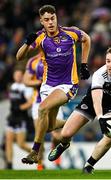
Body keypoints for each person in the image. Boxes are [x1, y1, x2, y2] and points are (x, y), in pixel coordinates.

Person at [16, 4, 91, 164]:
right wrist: (26, 43)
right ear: (41, 21)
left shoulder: (70, 33)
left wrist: (83, 64)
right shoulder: (40, 38)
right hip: (47, 86)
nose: (50, 22)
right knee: (49, 127)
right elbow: (19, 57)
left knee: (42, 108)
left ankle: (35, 151)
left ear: (56, 18)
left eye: (52, 18)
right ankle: (76, 122)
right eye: (46, 20)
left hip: (67, 85)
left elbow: (87, 39)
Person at [48, 45, 111, 173]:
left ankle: (89, 165)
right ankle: (64, 144)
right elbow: (96, 98)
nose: (110, 65)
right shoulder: (100, 74)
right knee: (65, 133)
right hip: (91, 102)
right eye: (108, 61)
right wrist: (100, 117)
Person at [23, 53, 66, 169]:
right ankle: (40, 163)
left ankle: (56, 154)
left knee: (57, 135)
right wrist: (39, 82)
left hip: (54, 100)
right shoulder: (33, 61)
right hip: (38, 102)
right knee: (39, 133)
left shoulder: (57, 56)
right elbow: (26, 81)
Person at [5, 69, 33, 169]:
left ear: (22, 76)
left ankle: (36, 154)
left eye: (19, 75)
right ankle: (9, 164)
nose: (18, 77)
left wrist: (20, 108)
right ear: (13, 76)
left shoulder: (26, 87)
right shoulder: (13, 86)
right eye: (16, 75)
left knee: (21, 144)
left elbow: (30, 102)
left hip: (21, 118)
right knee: (8, 141)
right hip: (12, 117)